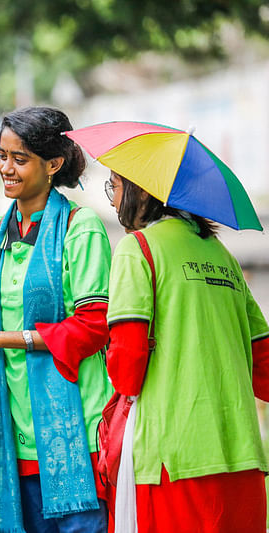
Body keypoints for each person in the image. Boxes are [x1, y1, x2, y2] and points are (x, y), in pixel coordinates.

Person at [0, 107, 112, 532]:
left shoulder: (82, 227)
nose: (6, 168)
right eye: (2, 156)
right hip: (11, 431)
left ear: (53, 164)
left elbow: (95, 326)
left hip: (77, 430)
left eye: (19, 159)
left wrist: (1, 339)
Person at [104, 170, 269, 532]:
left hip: (172, 461)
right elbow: (265, 367)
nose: (112, 199)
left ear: (142, 193)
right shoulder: (222, 256)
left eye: (114, 186)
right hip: (241, 459)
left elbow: (128, 371)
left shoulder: (138, 248)